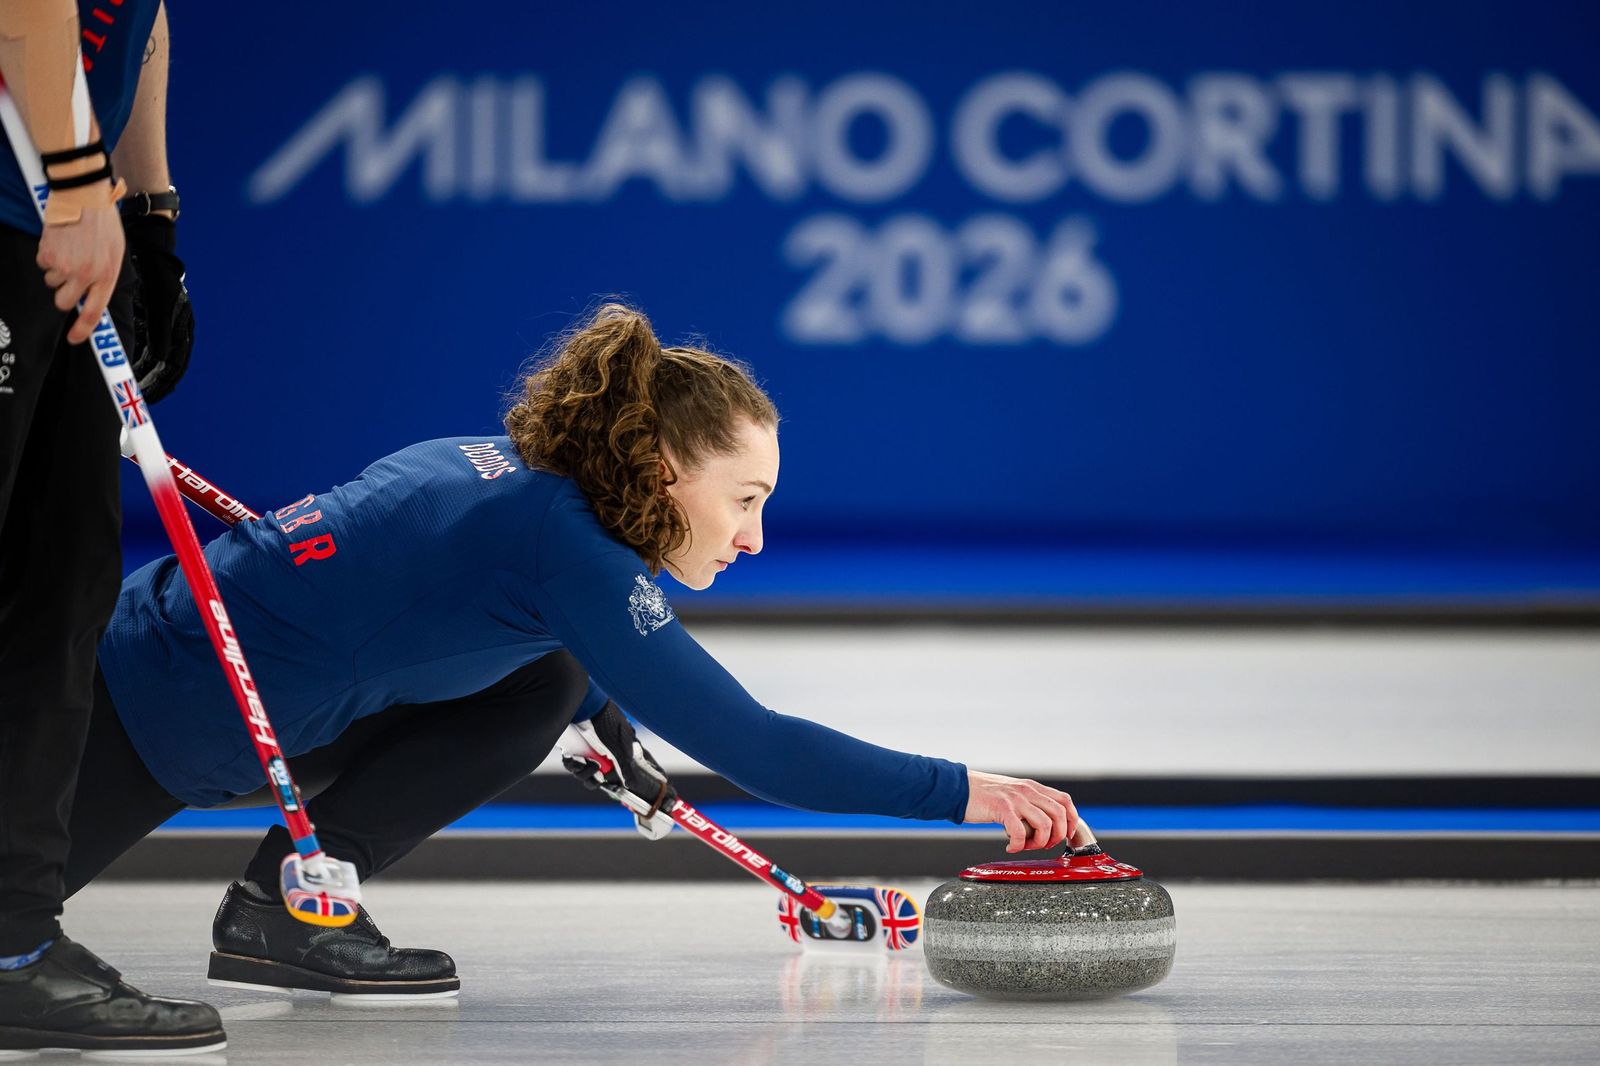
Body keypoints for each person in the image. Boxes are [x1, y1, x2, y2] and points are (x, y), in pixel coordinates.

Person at [64, 304, 1083, 999]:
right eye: (745, 501)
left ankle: (283, 910)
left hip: (157, 654)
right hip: (163, 715)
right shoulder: (571, 555)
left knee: (549, 680)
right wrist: (968, 792)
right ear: (661, 467)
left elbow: (500, 621)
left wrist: (603, 717)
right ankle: (258, 911)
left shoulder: (521, 479)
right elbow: (760, 747)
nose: (753, 539)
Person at [0, 0, 216, 1056]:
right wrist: (84, 188)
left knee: (63, 585)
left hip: (68, 222)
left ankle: (12, 941)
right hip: (28, 208)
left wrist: (151, 210)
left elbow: (136, 20)